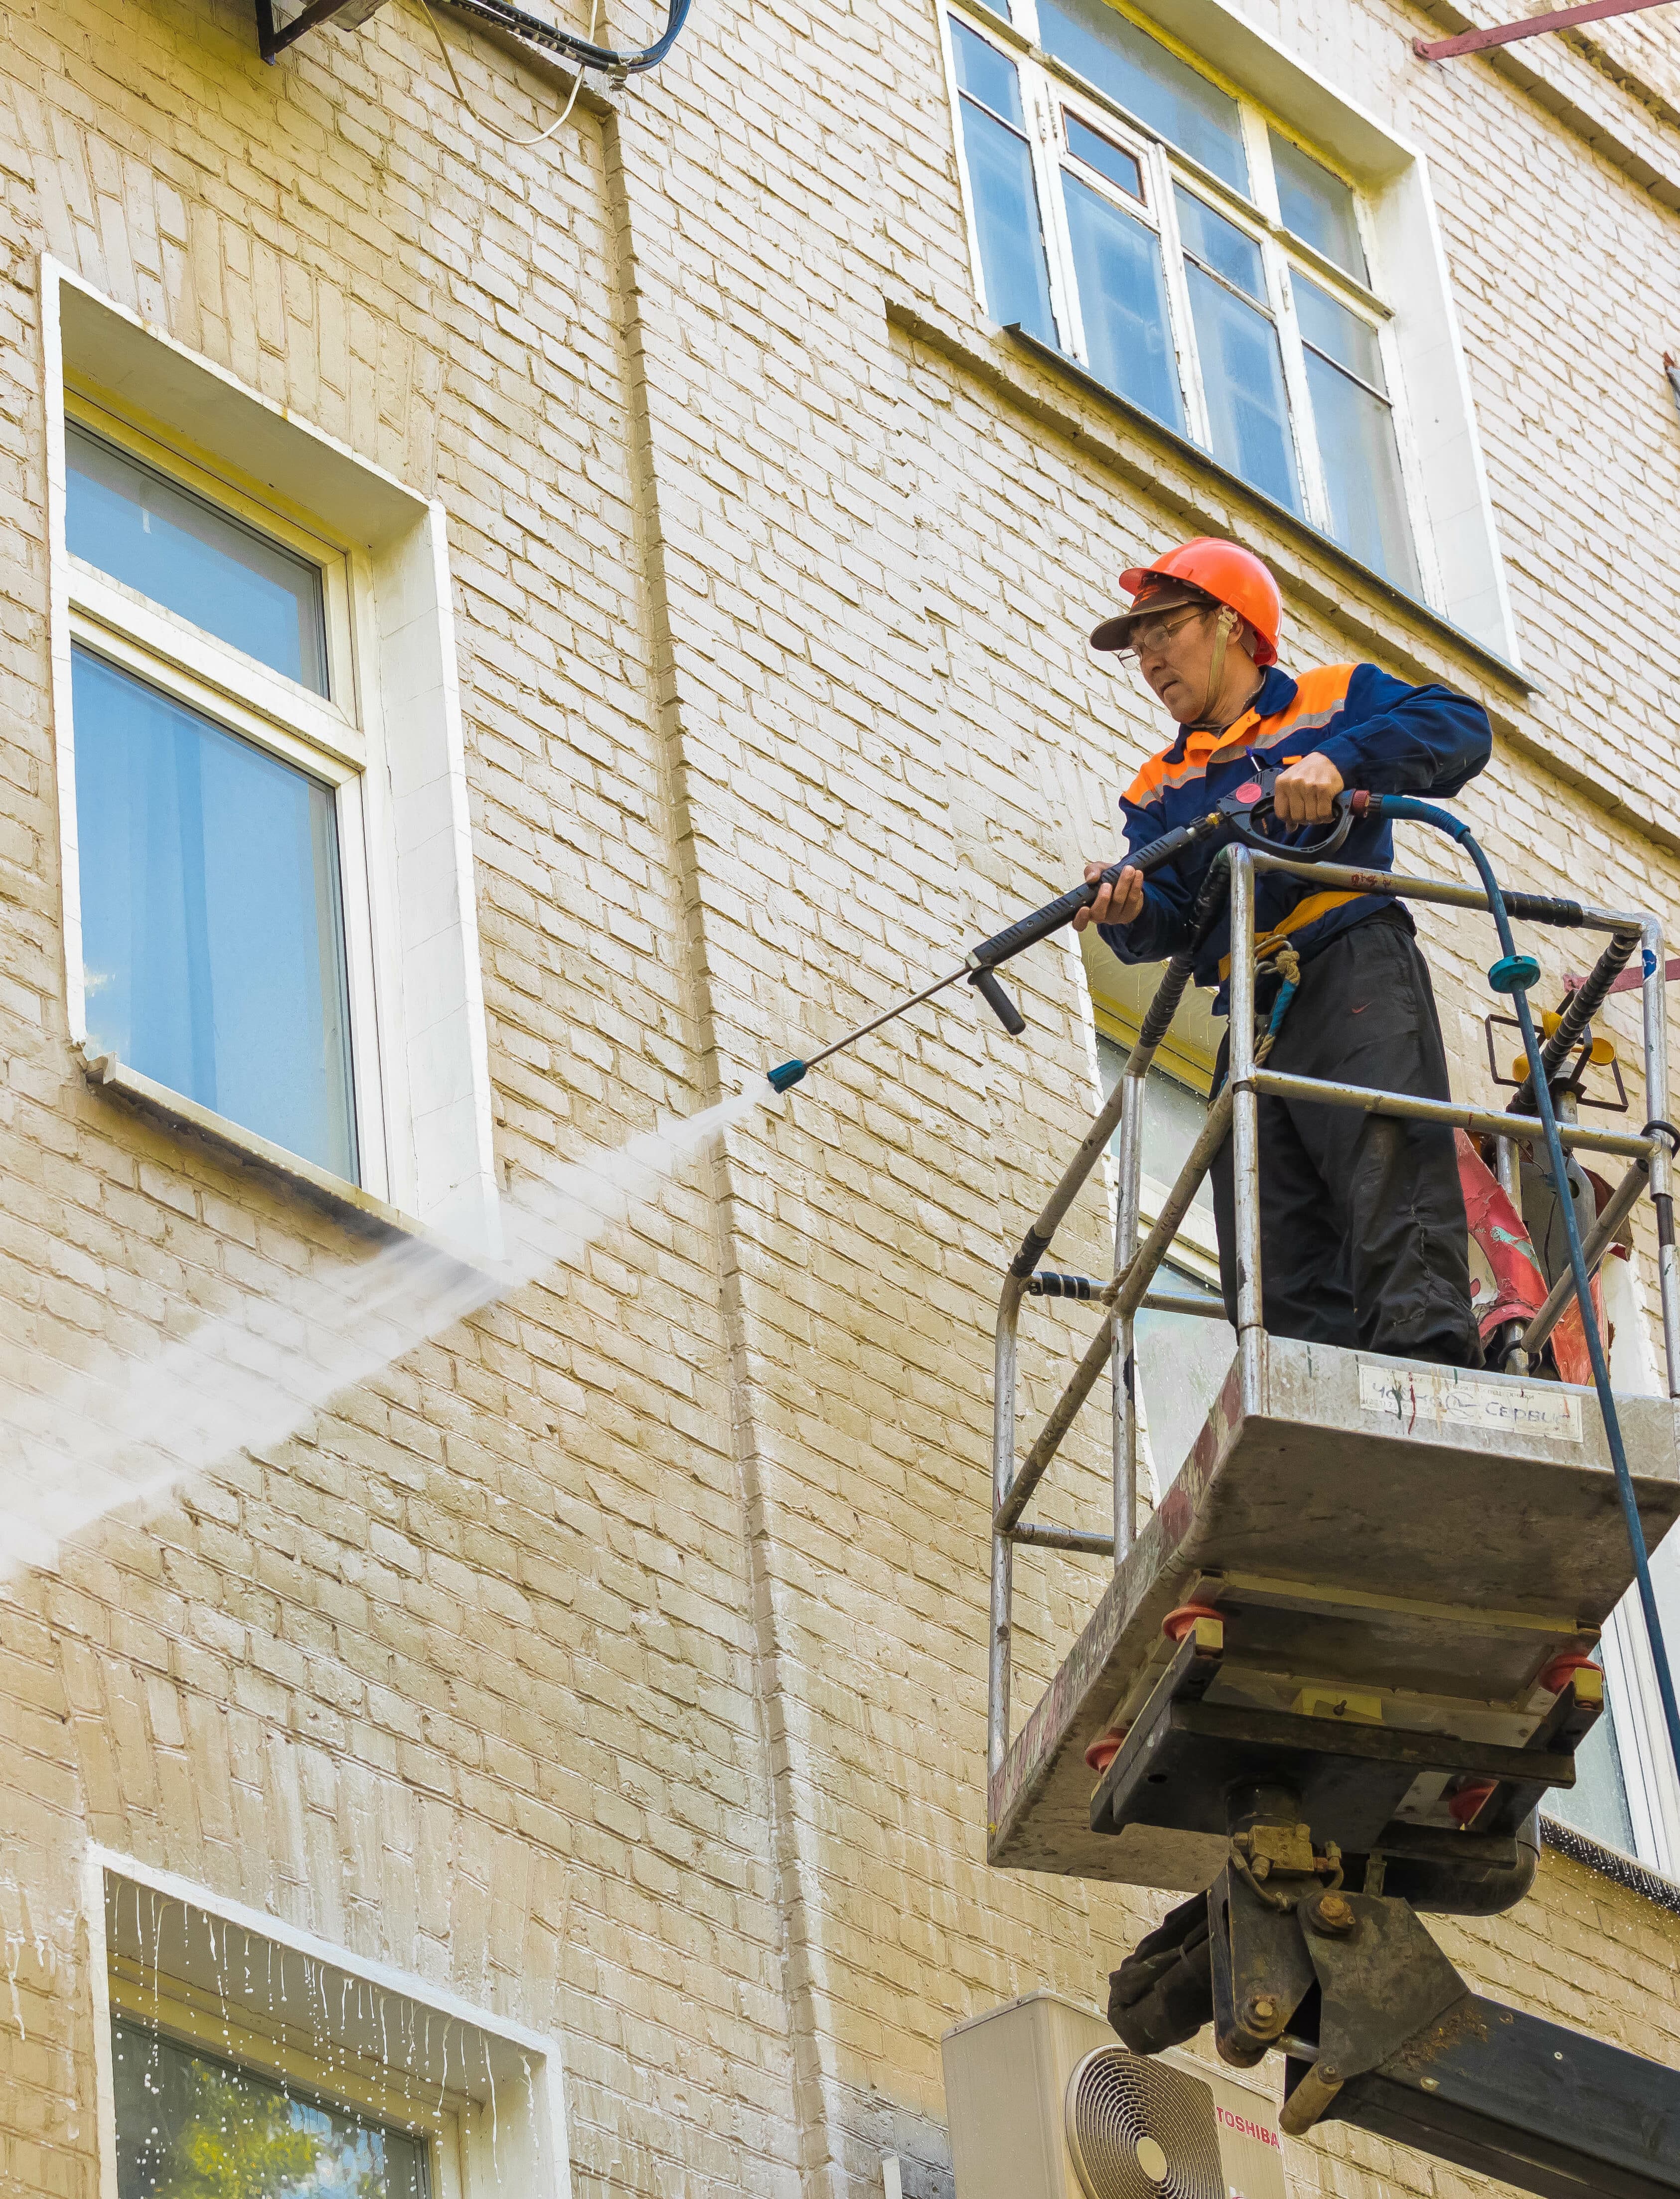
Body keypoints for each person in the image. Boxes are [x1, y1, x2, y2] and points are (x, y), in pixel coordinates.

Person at [1074, 537, 1493, 1368]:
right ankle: (1310, 1393)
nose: (1149, 657)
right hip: (1254, 1002)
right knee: (1266, 1233)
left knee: (1385, 1163)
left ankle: (1429, 1363)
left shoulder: (1332, 699)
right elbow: (1171, 918)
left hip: (1350, 961)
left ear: (1229, 621)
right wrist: (1124, 910)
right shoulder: (1158, 787)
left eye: (1163, 629)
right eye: (1139, 645)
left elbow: (1460, 725)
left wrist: (1337, 760)